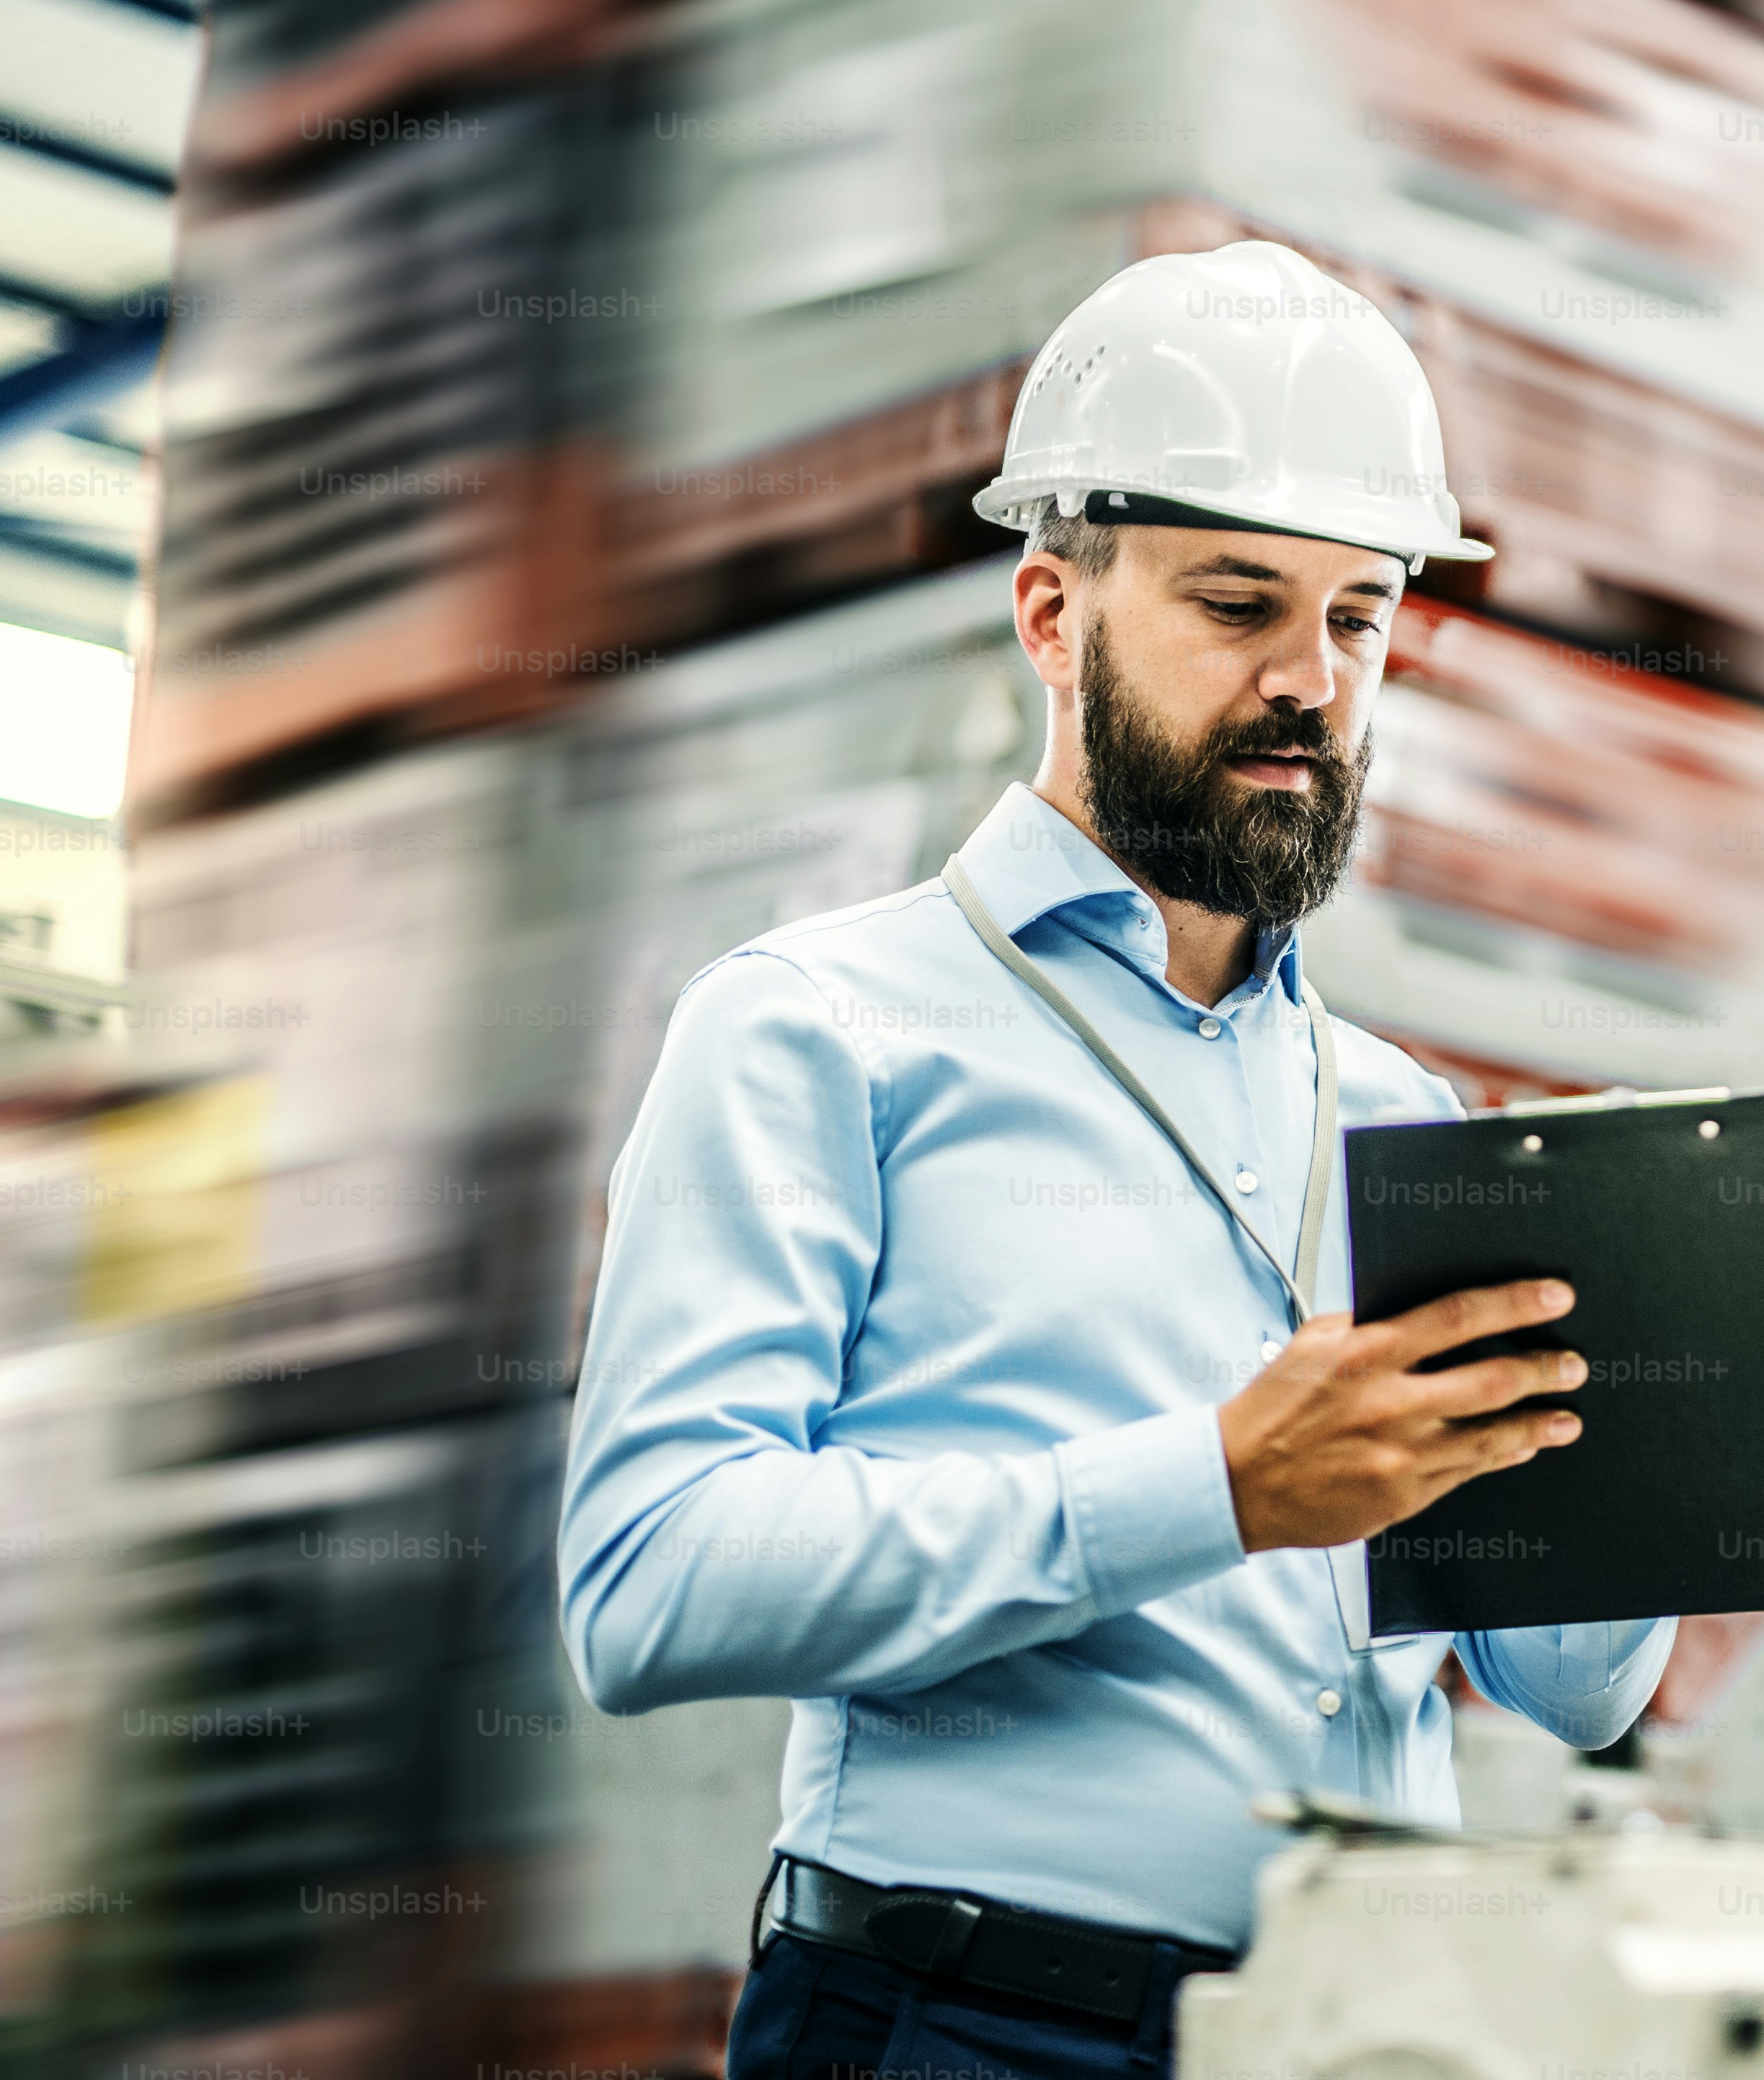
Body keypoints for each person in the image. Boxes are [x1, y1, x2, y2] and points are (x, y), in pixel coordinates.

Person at [554, 240, 1676, 2079]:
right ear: (1051, 612)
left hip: (1366, 2035)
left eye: (1358, 616)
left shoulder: (1404, 1116)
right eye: (1237, 603)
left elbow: (1572, 1686)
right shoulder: (818, 1026)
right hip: (964, 2028)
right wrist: (1214, 1486)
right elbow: (651, 1581)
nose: (1307, 679)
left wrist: (1654, 1385)